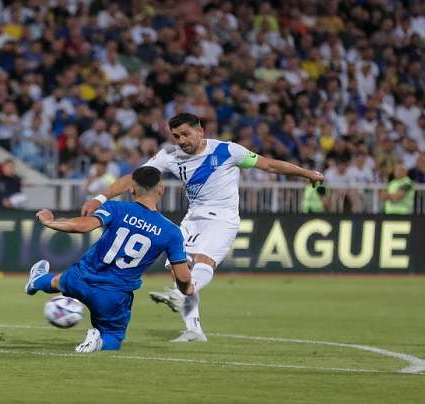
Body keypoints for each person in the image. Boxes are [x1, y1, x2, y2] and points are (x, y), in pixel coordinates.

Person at [81, 113, 324, 342]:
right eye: (176, 136)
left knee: (203, 260)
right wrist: (100, 198)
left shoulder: (228, 150)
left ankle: (179, 296)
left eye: (186, 134)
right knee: (180, 270)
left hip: (222, 218)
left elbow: (270, 166)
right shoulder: (170, 156)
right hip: (193, 218)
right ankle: (193, 329)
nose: (181, 141)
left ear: (200, 131)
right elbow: (135, 178)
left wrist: (308, 174)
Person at [25, 166, 192, 352]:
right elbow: (183, 277)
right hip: (114, 294)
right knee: (112, 337)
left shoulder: (116, 208)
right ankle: (98, 342)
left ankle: (37, 281)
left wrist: (49, 222)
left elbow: (83, 226)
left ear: (132, 189)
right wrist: (186, 291)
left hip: (82, 277)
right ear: (161, 189)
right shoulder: (171, 232)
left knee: (58, 281)